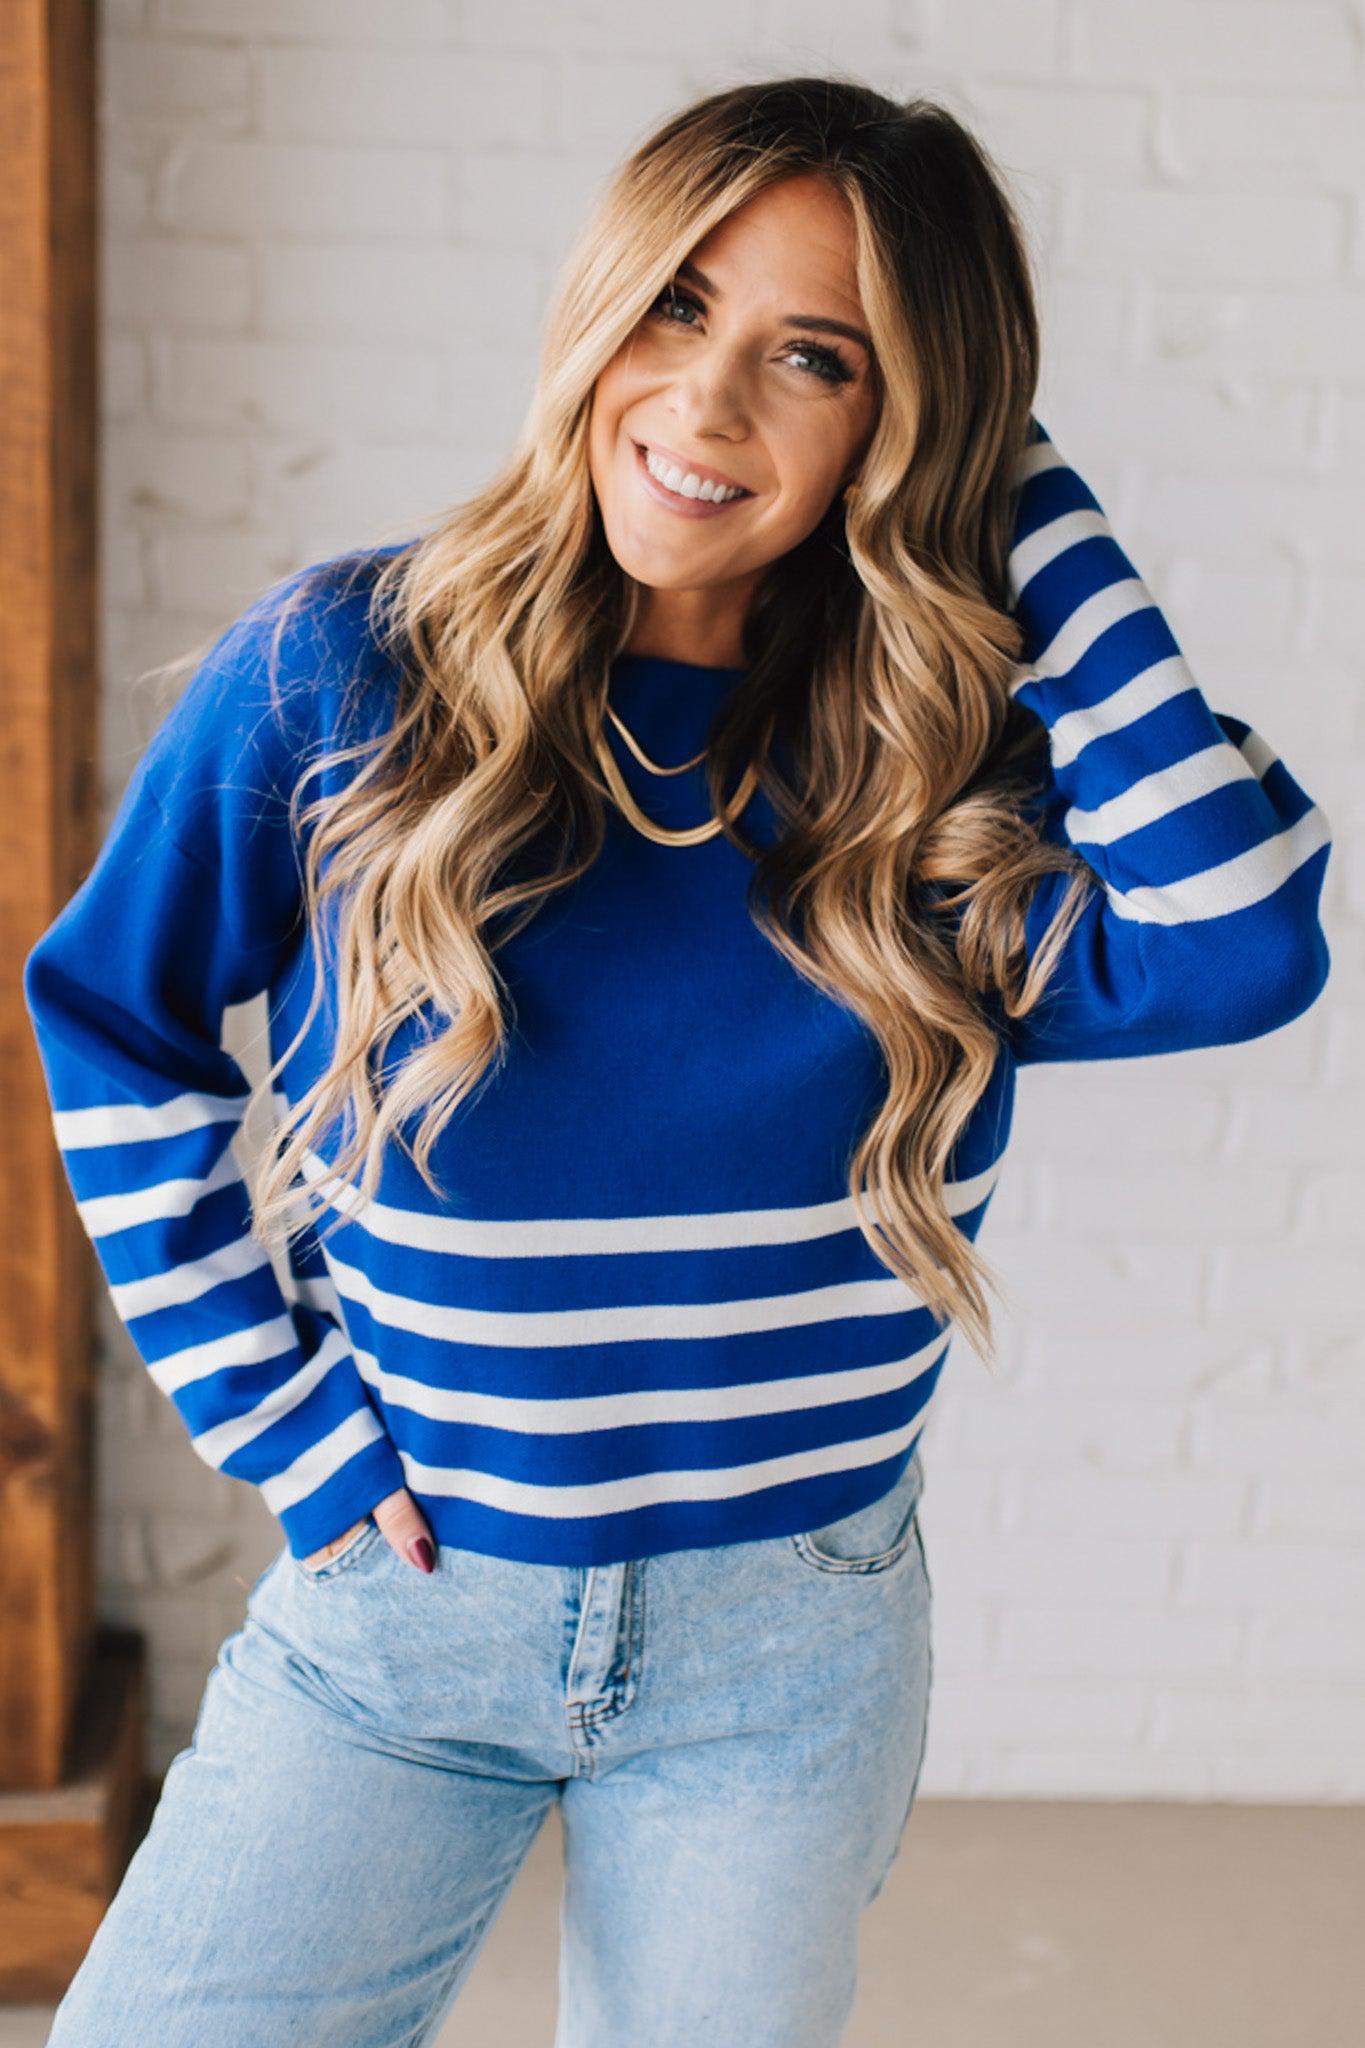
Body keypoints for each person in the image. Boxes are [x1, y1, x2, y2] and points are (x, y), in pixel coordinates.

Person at [23, 74, 1331, 2048]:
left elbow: (1241, 942)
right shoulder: (341, 674)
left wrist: (1019, 504)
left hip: (780, 1650)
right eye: (674, 308)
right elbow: (109, 1015)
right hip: (414, 1600)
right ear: (596, 307)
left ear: (901, 426)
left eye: (812, 357)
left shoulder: (936, 777)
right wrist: (279, 1421)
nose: (708, 403)